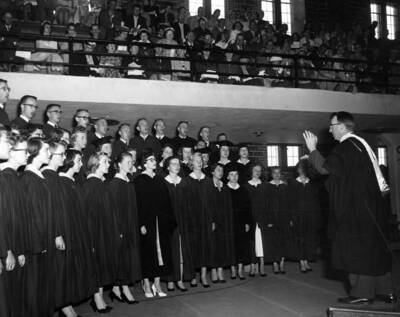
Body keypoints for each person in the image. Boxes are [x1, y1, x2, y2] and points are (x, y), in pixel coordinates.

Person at [303, 111, 392, 304]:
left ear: (342, 127)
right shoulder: (361, 144)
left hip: (356, 210)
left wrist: (312, 150)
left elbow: (325, 169)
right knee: (374, 249)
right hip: (373, 207)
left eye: (332, 126)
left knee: (356, 250)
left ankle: (362, 293)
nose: (330, 129)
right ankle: (386, 291)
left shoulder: (346, 146)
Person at [58, 149, 97, 317]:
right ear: (70, 162)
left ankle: (68, 307)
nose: (82, 163)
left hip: (76, 232)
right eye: (79, 160)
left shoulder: (72, 182)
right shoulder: (61, 183)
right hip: (67, 233)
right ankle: (65, 308)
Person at [21, 138, 56, 317]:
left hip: (44, 242)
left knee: (43, 289)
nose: (49, 153)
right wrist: (38, 245)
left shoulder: (37, 176)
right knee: (35, 290)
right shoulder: (29, 178)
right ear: (35, 152)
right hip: (37, 246)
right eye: (47, 150)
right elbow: (32, 215)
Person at [134, 150, 176, 298]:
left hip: (161, 222)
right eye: (151, 160)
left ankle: (157, 283)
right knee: (147, 252)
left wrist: (169, 220)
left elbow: (166, 201)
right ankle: (146, 283)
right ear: (145, 163)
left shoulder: (159, 179)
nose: (155, 162)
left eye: (155, 160)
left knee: (161, 252)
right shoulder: (139, 180)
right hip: (148, 223)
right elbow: (138, 204)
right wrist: (141, 223)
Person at [83, 152, 118, 313]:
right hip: (96, 234)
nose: (108, 164)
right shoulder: (90, 185)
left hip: (104, 231)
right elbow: (88, 216)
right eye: (105, 161)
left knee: (103, 265)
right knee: (97, 265)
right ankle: (97, 300)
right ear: (96, 164)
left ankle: (100, 297)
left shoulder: (101, 184)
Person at [0, 133, 29, 317]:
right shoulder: (4, 178)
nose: (28, 155)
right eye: (25, 151)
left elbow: (18, 219)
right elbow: (3, 218)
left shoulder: (14, 178)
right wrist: (7, 250)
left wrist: (18, 249)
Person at [108, 152, 141, 304]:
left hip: (130, 226)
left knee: (128, 258)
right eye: (127, 162)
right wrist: (119, 231)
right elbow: (113, 211)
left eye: (131, 162)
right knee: (122, 258)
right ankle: (122, 288)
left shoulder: (128, 182)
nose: (130, 164)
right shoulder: (115, 184)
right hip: (121, 228)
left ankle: (118, 288)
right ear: (119, 164)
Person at [183, 152, 215, 287]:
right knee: (193, 248)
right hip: (192, 221)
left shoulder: (208, 181)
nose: (199, 162)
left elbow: (212, 202)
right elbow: (184, 204)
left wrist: (212, 220)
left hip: (206, 220)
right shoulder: (186, 181)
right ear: (191, 163)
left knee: (205, 248)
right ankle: (193, 275)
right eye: (196, 160)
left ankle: (203, 275)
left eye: (201, 160)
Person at [164, 156, 194, 291]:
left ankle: (180, 279)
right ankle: (170, 279)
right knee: (171, 250)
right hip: (170, 222)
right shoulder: (164, 183)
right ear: (167, 167)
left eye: (178, 164)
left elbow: (188, 204)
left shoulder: (184, 183)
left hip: (183, 220)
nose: (176, 166)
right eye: (173, 164)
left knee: (182, 250)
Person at [289, 159, 320, 273]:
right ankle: (301, 261)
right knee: (300, 238)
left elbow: (315, 201)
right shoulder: (292, 183)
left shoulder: (311, 183)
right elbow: (290, 202)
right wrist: (291, 218)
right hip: (297, 216)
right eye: (299, 168)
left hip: (310, 216)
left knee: (308, 238)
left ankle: (306, 260)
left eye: (303, 168)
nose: (301, 170)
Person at [226, 163, 253, 280]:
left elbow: (248, 207)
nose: (234, 177)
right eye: (231, 175)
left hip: (241, 222)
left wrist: (247, 222)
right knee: (232, 246)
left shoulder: (243, 190)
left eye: (236, 174)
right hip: (229, 222)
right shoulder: (224, 190)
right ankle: (233, 270)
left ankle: (240, 270)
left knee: (241, 246)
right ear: (227, 177)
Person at [209, 163, 235, 282]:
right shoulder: (208, 186)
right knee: (213, 247)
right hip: (213, 222)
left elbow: (228, 206)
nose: (221, 172)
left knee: (222, 247)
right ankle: (213, 271)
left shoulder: (224, 187)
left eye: (222, 170)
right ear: (212, 172)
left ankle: (220, 270)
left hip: (223, 222)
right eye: (218, 170)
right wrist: (211, 221)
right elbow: (207, 206)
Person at [265, 166, 291, 274]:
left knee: (283, 241)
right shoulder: (267, 187)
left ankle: (282, 263)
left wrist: (289, 219)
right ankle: (275, 264)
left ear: (281, 174)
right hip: (272, 218)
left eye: (278, 173)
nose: (276, 175)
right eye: (274, 173)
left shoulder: (285, 187)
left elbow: (289, 205)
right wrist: (268, 220)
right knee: (273, 241)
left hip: (283, 218)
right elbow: (266, 205)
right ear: (271, 174)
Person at [244, 164, 268, 277]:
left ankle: (262, 265)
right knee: (252, 243)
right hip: (251, 218)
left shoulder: (264, 186)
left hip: (262, 217)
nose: (257, 172)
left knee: (262, 241)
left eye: (259, 170)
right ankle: (253, 265)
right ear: (251, 171)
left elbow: (268, 204)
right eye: (255, 170)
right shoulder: (246, 186)